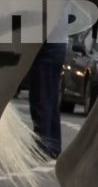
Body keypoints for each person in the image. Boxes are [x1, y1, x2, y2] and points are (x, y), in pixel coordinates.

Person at [27, 20, 69, 159]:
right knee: (50, 96)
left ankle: (43, 146)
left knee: (41, 97)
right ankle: (54, 145)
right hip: (59, 41)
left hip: (47, 39)